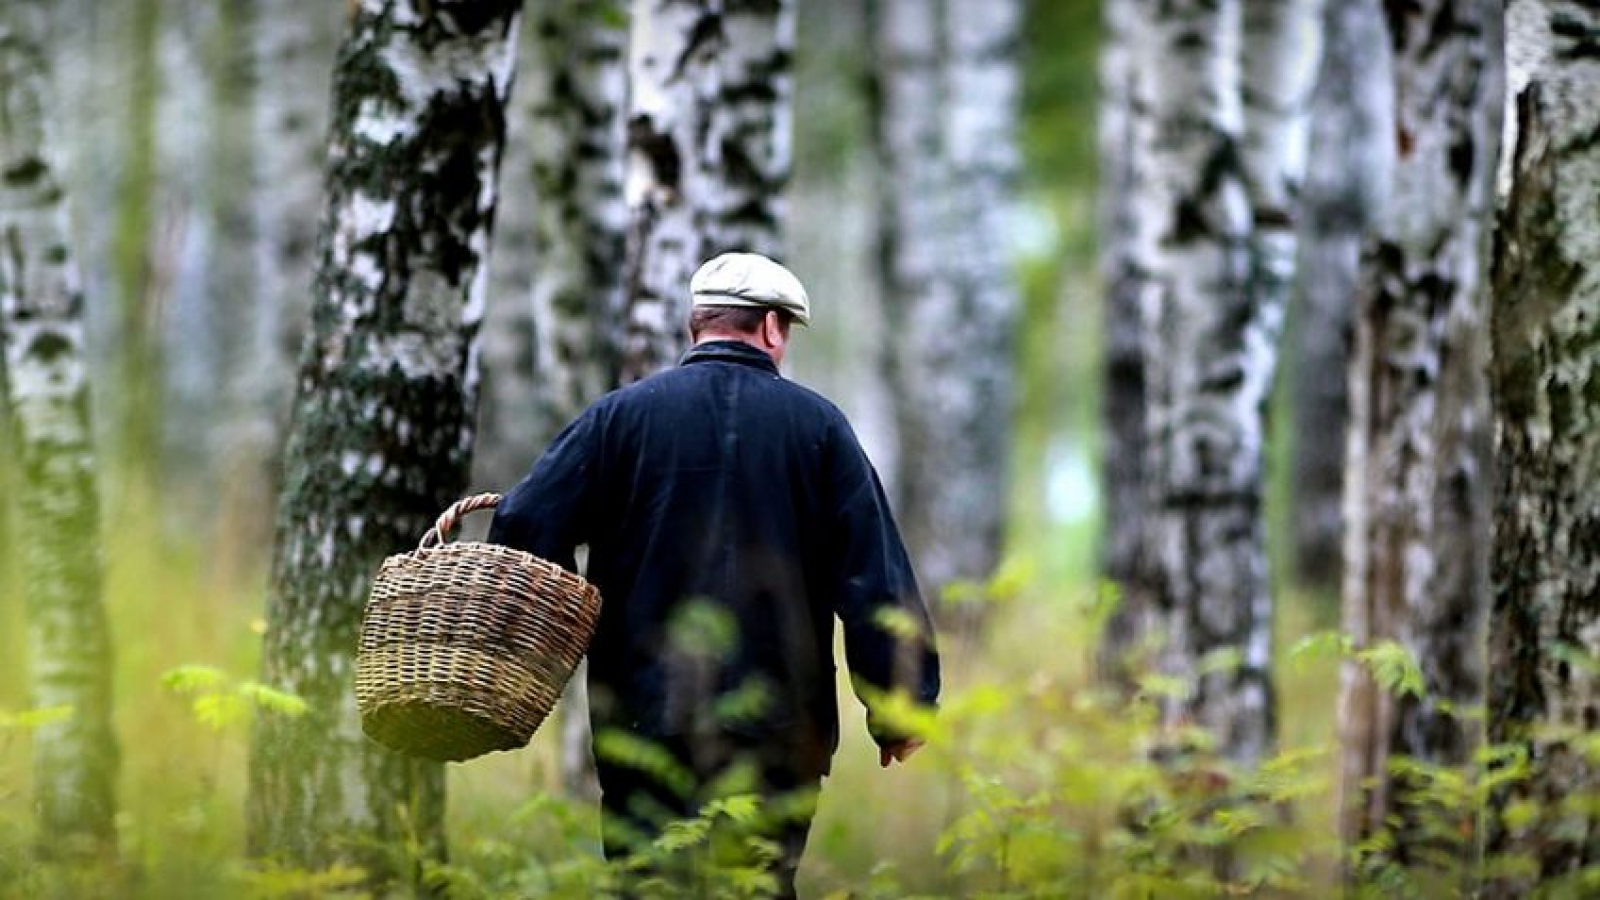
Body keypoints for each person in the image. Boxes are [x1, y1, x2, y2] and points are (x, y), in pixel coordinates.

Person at [487, 252, 940, 897]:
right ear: (773, 327)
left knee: (648, 886)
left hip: (642, 717)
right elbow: (874, 579)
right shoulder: (820, 428)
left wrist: (555, 633)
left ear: (697, 325)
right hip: (779, 729)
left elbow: (523, 523)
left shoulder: (618, 418)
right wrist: (901, 705)